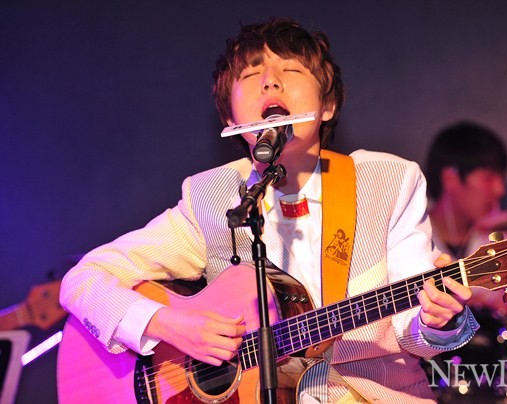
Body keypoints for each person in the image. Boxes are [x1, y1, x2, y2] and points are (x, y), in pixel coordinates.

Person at [60, 18, 479, 403]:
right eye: (250, 75)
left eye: (292, 70)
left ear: (328, 106)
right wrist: (168, 325)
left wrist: (436, 321)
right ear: (229, 117)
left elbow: (413, 331)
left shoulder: (388, 182)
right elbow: (83, 279)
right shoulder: (210, 198)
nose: (271, 82)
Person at [424, 121, 507, 395]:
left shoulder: (505, 244)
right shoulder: (409, 238)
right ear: (451, 178)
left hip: (489, 385)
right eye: (489, 177)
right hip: (421, 385)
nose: (500, 190)